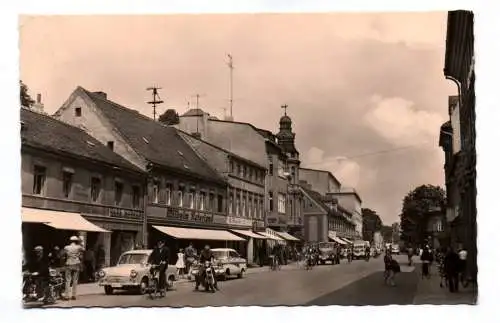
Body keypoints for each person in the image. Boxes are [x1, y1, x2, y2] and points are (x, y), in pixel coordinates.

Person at [63, 236, 84, 301]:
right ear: (76, 241)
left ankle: (67, 296)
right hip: (76, 264)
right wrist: (81, 242)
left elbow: (63, 254)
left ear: (70, 241)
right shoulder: (78, 247)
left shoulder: (66, 247)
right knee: (75, 280)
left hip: (68, 263)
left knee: (68, 280)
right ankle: (74, 295)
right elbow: (83, 249)